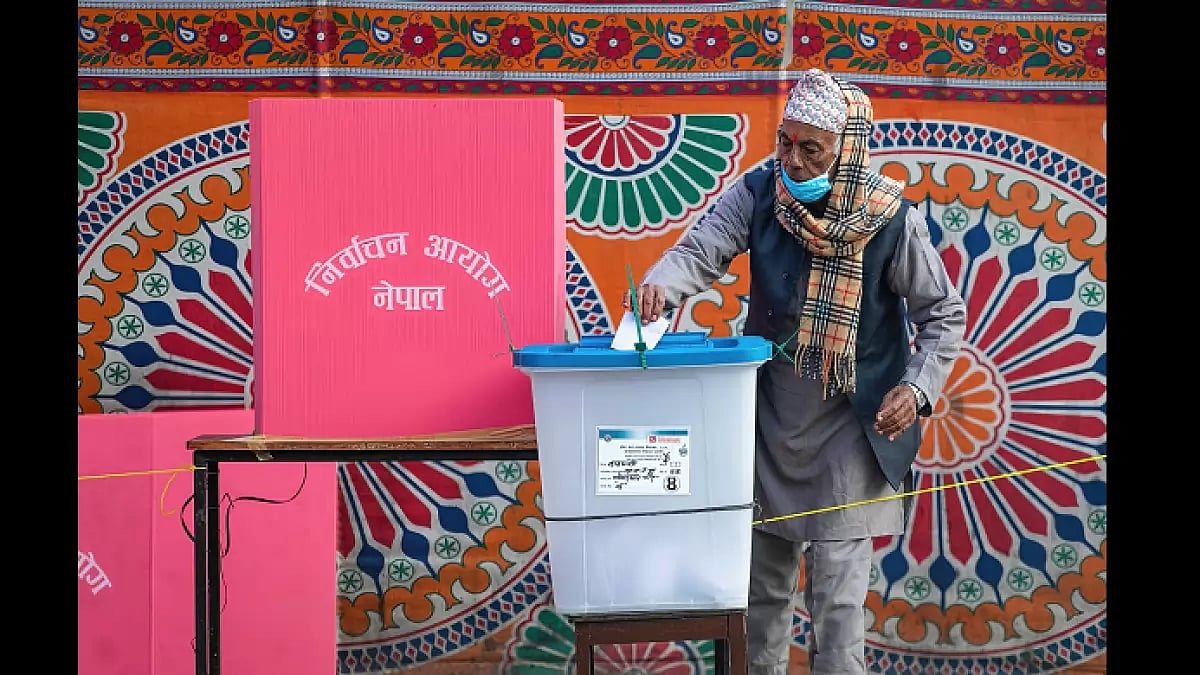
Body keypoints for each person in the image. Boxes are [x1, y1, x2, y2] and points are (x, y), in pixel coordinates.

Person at [624, 68, 967, 674]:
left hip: (851, 430)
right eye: (786, 141)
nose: (794, 160)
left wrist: (916, 389)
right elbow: (701, 250)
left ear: (848, 150)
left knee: (838, 606)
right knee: (763, 599)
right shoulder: (757, 194)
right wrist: (660, 287)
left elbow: (942, 312)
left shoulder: (890, 220)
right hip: (767, 425)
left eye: (812, 148)